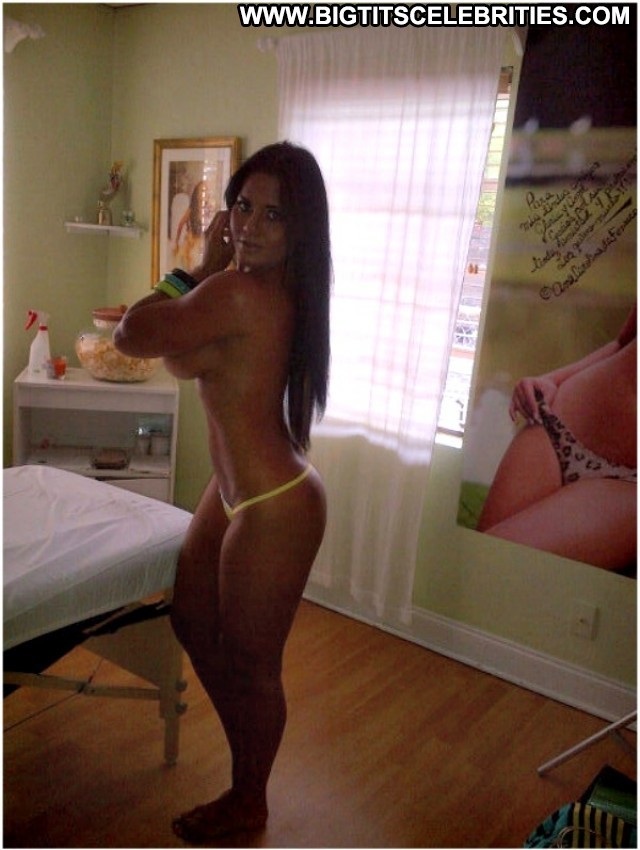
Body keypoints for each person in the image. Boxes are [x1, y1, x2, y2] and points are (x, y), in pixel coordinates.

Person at [114, 142, 331, 841]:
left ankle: (249, 799)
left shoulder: (234, 291)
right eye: (242, 206)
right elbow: (188, 352)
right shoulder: (260, 291)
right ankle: (247, 746)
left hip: (274, 504)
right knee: (191, 617)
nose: (250, 225)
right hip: (235, 486)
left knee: (254, 668)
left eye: (273, 214)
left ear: (299, 229)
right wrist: (207, 281)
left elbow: (133, 332)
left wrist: (197, 268)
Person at [476, 304, 636, 572]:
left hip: (628, 482)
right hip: (558, 421)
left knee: (491, 565)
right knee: (476, 557)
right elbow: (623, 343)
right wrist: (552, 379)